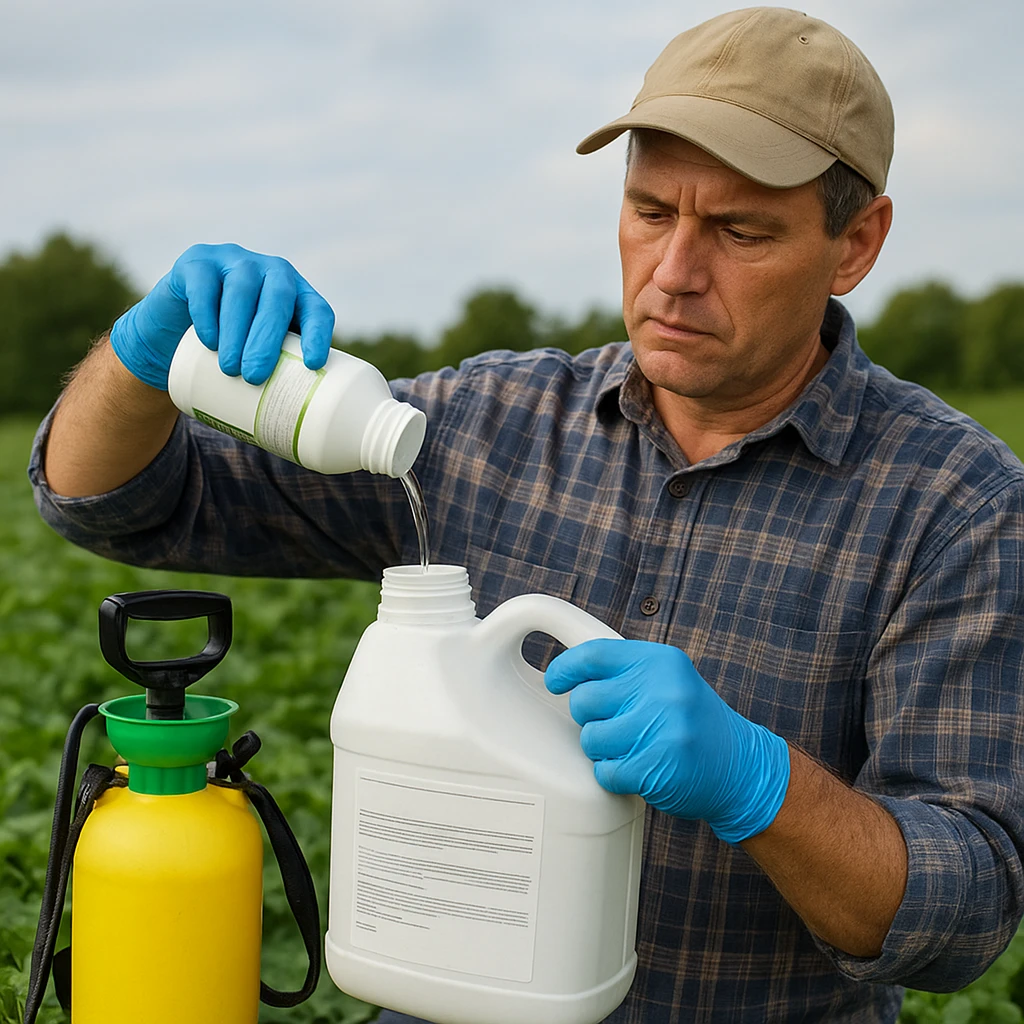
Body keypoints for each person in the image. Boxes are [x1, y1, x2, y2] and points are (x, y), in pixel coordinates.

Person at [29, 7, 1024, 1023]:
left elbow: (968, 906)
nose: (675, 272)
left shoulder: (949, 503)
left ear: (855, 242)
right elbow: (122, 502)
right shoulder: (486, 425)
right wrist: (141, 356)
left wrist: (759, 784)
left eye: (738, 230)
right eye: (648, 212)